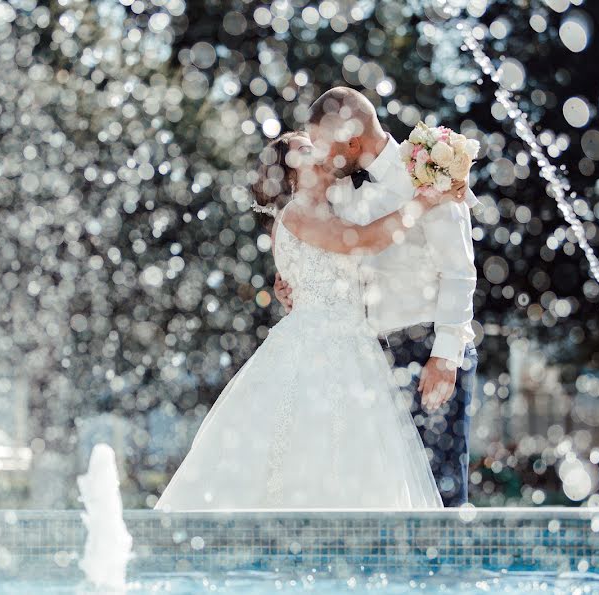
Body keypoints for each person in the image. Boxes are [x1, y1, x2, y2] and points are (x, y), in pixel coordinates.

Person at [154, 130, 464, 510]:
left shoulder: (330, 208)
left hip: (352, 345)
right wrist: (424, 200)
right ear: (287, 174)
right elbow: (362, 242)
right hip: (319, 347)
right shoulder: (299, 212)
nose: (316, 149)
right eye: (303, 149)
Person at [275, 87, 479, 506]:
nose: (320, 158)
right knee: (386, 491)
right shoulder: (338, 186)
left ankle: (444, 572)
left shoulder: (427, 174)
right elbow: (332, 248)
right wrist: (294, 283)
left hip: (425, 347)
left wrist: (444, 356)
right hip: (364, 358)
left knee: (440, 491)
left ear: (352, 140)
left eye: (325, 147)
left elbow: (459, 270)